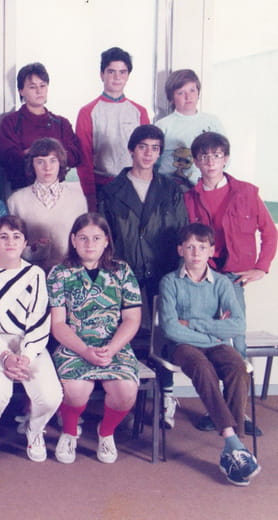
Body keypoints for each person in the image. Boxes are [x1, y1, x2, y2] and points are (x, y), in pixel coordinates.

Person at [184, 131, 277, 434]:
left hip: (235, 278)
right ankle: (217, 410)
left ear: (225, 158)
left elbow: (270, 233)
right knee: (210, 342)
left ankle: (239, 411)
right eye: (204, 156)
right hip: (203, 277)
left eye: (217, 155)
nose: (211, 162)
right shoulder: (189, 197)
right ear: (196, 161)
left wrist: (261, 268)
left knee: (236, 342)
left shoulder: (247, 192)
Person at [98, 124, 188, 428]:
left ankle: (166, 396)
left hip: (163, 271)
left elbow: (181, 232)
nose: (148, 154)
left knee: (163, 335)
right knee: (125, 335)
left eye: (155, 148)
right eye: (143, 147)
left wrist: (180, 273)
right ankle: (125, 401)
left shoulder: (170, 189)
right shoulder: (111, 190)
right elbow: (105, 237)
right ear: (131, 150)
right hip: (125, 274)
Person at [159, 223, 259, 486]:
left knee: (237, 366)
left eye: (202, 247)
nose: (196, 253)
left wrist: (192, 324)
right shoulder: (170, 282)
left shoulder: (222, 283)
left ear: (211, 251)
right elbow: (170, 328)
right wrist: (211, 333)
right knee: (202, 367)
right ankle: (234, 443)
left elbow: (237, 325)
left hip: (213, 343)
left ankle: (232, 450)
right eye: (190, 247)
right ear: (180, 250)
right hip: (182, 347)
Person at [48, 212, 141, 464]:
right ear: (73, 240)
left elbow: (132, 318)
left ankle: (106, 433)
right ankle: (69, 432)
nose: (90, 244)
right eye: (83, 238)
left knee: (126, 392)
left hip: (115, 344)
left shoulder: (122, 271)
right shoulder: (59, 273)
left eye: (96, 238)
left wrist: (112, 348)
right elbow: (58, 324)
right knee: (76, 391)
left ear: (106, 240)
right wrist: (84, 351)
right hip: (74, 344)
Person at [0, 215, 62, 463]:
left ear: (25, 242)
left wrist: (25, 357)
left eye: (16, 237)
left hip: (29, 344)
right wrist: (4, 355)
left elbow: (39, 321)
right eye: (3, 237)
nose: (10, 242)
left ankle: (34, 430)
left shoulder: (35, 274)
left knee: (51, 396)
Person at [76, 47, 150, 210]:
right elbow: (84, 158)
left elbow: (147, 153)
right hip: (102, 187)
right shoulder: (87, 112)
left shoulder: (139, 112)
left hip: (134, 186)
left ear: (128, 75)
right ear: (102, 74)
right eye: (111, 72)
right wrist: (90, 195)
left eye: (122, 72)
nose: (117, 77)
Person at [7, 137, 87, 273]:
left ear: (60, 163)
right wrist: (34, 250)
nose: (47, 167)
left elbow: (83, 241)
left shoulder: (78, 199)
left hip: (70, 274)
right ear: (32, 165)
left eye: (53, 160)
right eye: (40, 162)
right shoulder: (16, 201)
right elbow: (12, 247)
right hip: (30, 274)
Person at [0, 63, 82, 191]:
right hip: (22, 190)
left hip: (58, 190)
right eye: (32, 87)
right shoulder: (11, 122)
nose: (39, 91)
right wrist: (39, 153)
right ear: (21, 91)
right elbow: (7, 158)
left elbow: (76, 156)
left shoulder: (61, 123)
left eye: (42, 85)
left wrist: (51, 154)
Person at [154, 69, 225, 188]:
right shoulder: (162, 126)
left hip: (206, 187)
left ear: (198, 93)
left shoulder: (212, 122)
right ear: (171, 98)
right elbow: (154, 162)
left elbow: (225, 156)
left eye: (192, 90)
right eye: (181, 93)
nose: (188, 97)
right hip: (171, 188)